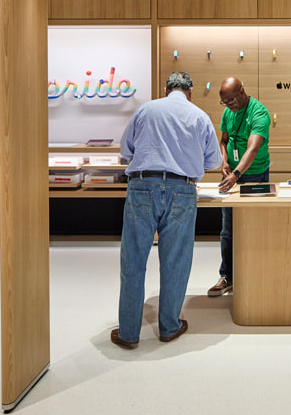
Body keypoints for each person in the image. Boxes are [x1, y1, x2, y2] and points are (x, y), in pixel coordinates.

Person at [111, 72, 222, 349]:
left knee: (133, 261)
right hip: (182, 189)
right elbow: (214, 160)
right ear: (191, 91)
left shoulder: (146, 109)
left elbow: (126, 149)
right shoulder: (199, 116)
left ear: (165, 89)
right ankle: (170, 327)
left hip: (141, 187)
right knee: (176, 261)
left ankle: (128, 333)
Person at [208, 77, 271, 297]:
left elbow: (253, 149)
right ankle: (227, 276)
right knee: (228, 228)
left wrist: (237, 173)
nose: (229, 105)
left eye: (232, 100)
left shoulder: (259, 112)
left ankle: (256, 274)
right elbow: (224, 140)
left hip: (255, 175)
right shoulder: (228, 112)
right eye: (224, 102)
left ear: (242, 91)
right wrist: (224, 162)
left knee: (255, 226)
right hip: (233, 176)